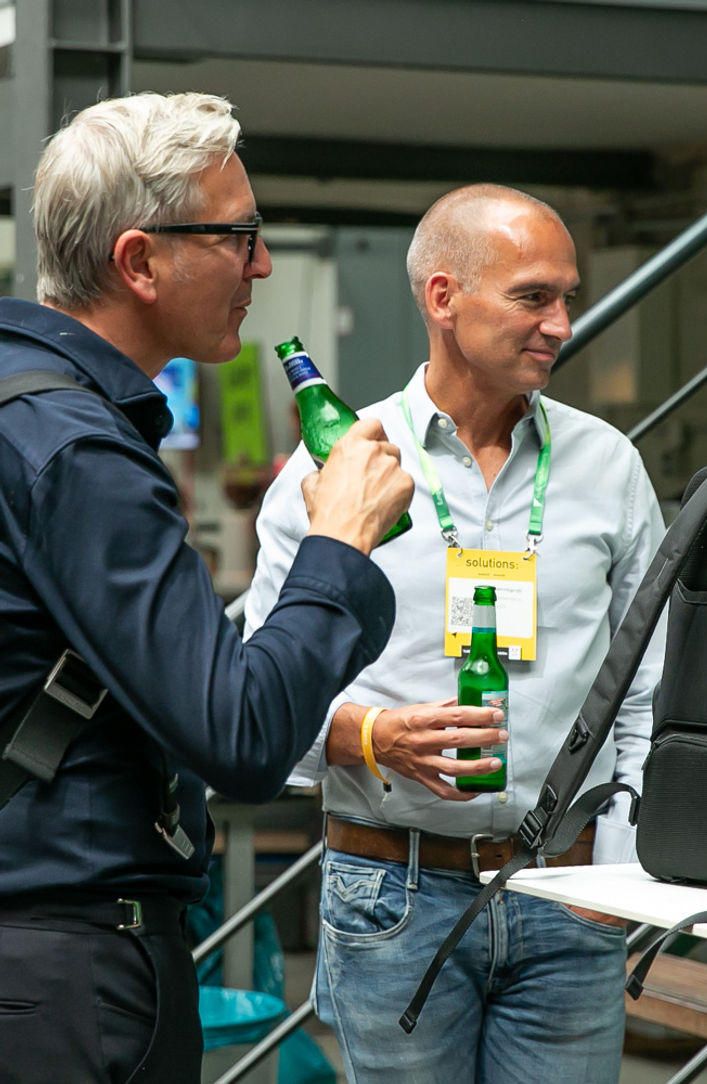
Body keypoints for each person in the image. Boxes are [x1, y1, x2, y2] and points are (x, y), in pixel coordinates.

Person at [0, 92, 415, 1083]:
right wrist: (339, 545)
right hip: (65, 977)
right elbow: (240, 738)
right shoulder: (79, 454)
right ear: (139, 261)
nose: (261, 266)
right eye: (239, 237)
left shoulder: (24, 403)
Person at [245, 183, 666, 1083]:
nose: (559, 323)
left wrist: (619, 876)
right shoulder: (341, 467)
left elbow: (648, 682)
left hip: (569, 892)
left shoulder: (607, 465)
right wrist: (368, 737)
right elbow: (261, 689)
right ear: (444, 298)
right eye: (532, 297)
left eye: (567, 299)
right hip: (391, 894)